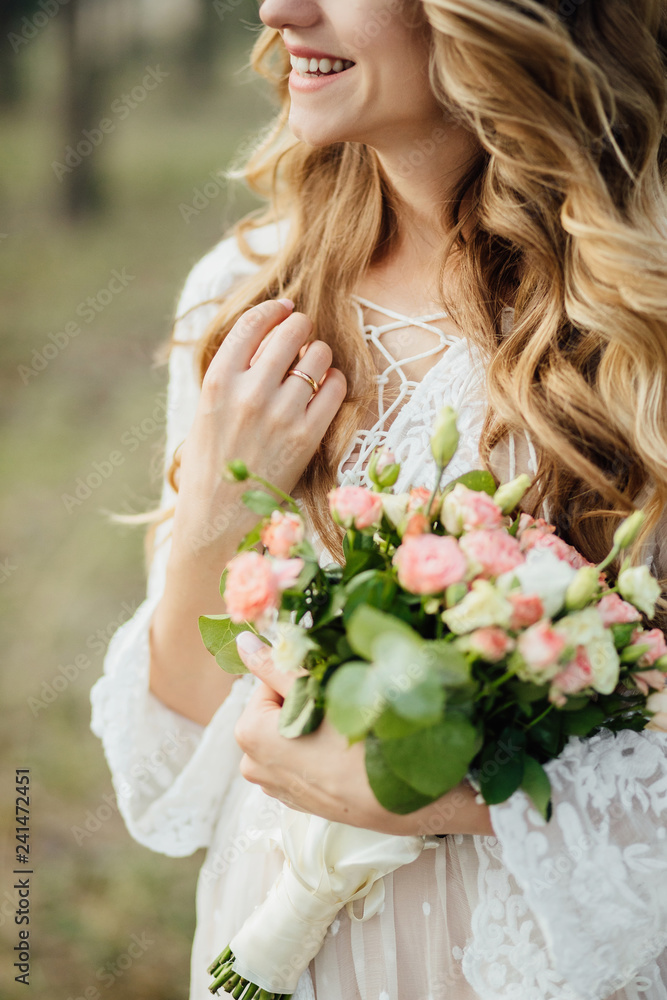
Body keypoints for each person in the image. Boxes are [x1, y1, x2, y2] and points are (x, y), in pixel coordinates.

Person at [91, 1, 667, 997]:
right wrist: (216, 512)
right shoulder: (247, 293)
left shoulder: (639, 323)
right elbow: (174, 759)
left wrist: (459, 797)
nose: (279, 9)